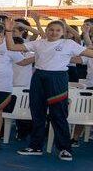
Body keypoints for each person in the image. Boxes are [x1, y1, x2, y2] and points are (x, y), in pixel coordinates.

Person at [6, 20, 93, 160]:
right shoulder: (38, 43)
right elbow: (11, 47)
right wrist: (8, 31)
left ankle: (65, 149)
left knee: (58, 114)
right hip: (39, 78)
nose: (54, 32)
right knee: (37, 113)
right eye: (51, 29)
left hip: (58, 79)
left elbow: (90, 53)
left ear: (63, 32)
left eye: (58, 30)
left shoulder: (69, 44)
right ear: (46, 31)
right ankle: (35, 146)